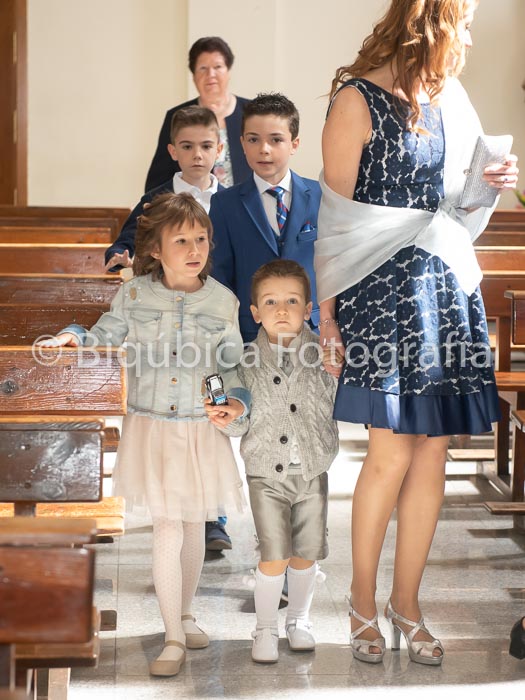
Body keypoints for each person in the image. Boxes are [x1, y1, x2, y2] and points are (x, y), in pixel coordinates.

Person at [315, 0, 519, 666]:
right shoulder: (356, 100)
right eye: (464, 24)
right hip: (381, 289)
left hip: (443, 286)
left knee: (433, 452)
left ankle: (407, 605)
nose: (468, 40)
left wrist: (491, 181)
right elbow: (335, 221)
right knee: (390, 453)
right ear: (434, 23)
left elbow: (457, 201)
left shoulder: (446, 98)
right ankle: (360, 604)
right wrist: (327, 316)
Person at [37, 193, 249, 677]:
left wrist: (228, 402)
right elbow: (104, 335)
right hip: (152, 426)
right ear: (155, 248)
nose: (195, 250)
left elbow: (228, 366)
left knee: (194, 524)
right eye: (182, 241)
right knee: (168, 524)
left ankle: (186, 614)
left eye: (201, 239)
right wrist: (74, 335)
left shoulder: (222, 300)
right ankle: (172, 634)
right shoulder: (134, 296)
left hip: (199, 428)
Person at [104, 106, 234, 551]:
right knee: (173, 411)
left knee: (211, 409)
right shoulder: (156, 199)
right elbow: (130, 237)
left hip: (213, 315)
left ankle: (212, 516)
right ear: (173, 151)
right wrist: (120, 255)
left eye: (206, 146)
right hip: (168, 320)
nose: (198, 154)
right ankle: (173, 511)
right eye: (188, 146)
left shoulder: (230, 200)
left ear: (219, 150)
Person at [207, 260, 338, 663]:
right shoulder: (245, 362)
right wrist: (226, 417)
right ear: (255, 312)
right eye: (270, 302)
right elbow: (239, 420)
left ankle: (299, 620)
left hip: (312, 469)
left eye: (292, 301)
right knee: (274, 555)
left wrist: (337, 370)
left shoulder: (323, 354)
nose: (282, 310)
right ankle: (264, 627)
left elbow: (337, 401)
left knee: (306, 554)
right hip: (266, 473)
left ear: (309, 308)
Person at [209, 93, 321, 343]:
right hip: (250, 334)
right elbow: (220, 277)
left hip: (311, 331)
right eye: (253, 139)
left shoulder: (321, 196)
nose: (264, 149)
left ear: (294, 144)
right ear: (242, 143)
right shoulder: (224, 204)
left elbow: (333, 269)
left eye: (276, 140)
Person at [145, 36, 251, 191]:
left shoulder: (252, 113)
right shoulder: (177, 116)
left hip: (246, 203)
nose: (211, 74)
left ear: (228, 71)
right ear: (193, 76)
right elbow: (157, 182)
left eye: (218, 67)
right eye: (203, 68)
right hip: (191, 204)